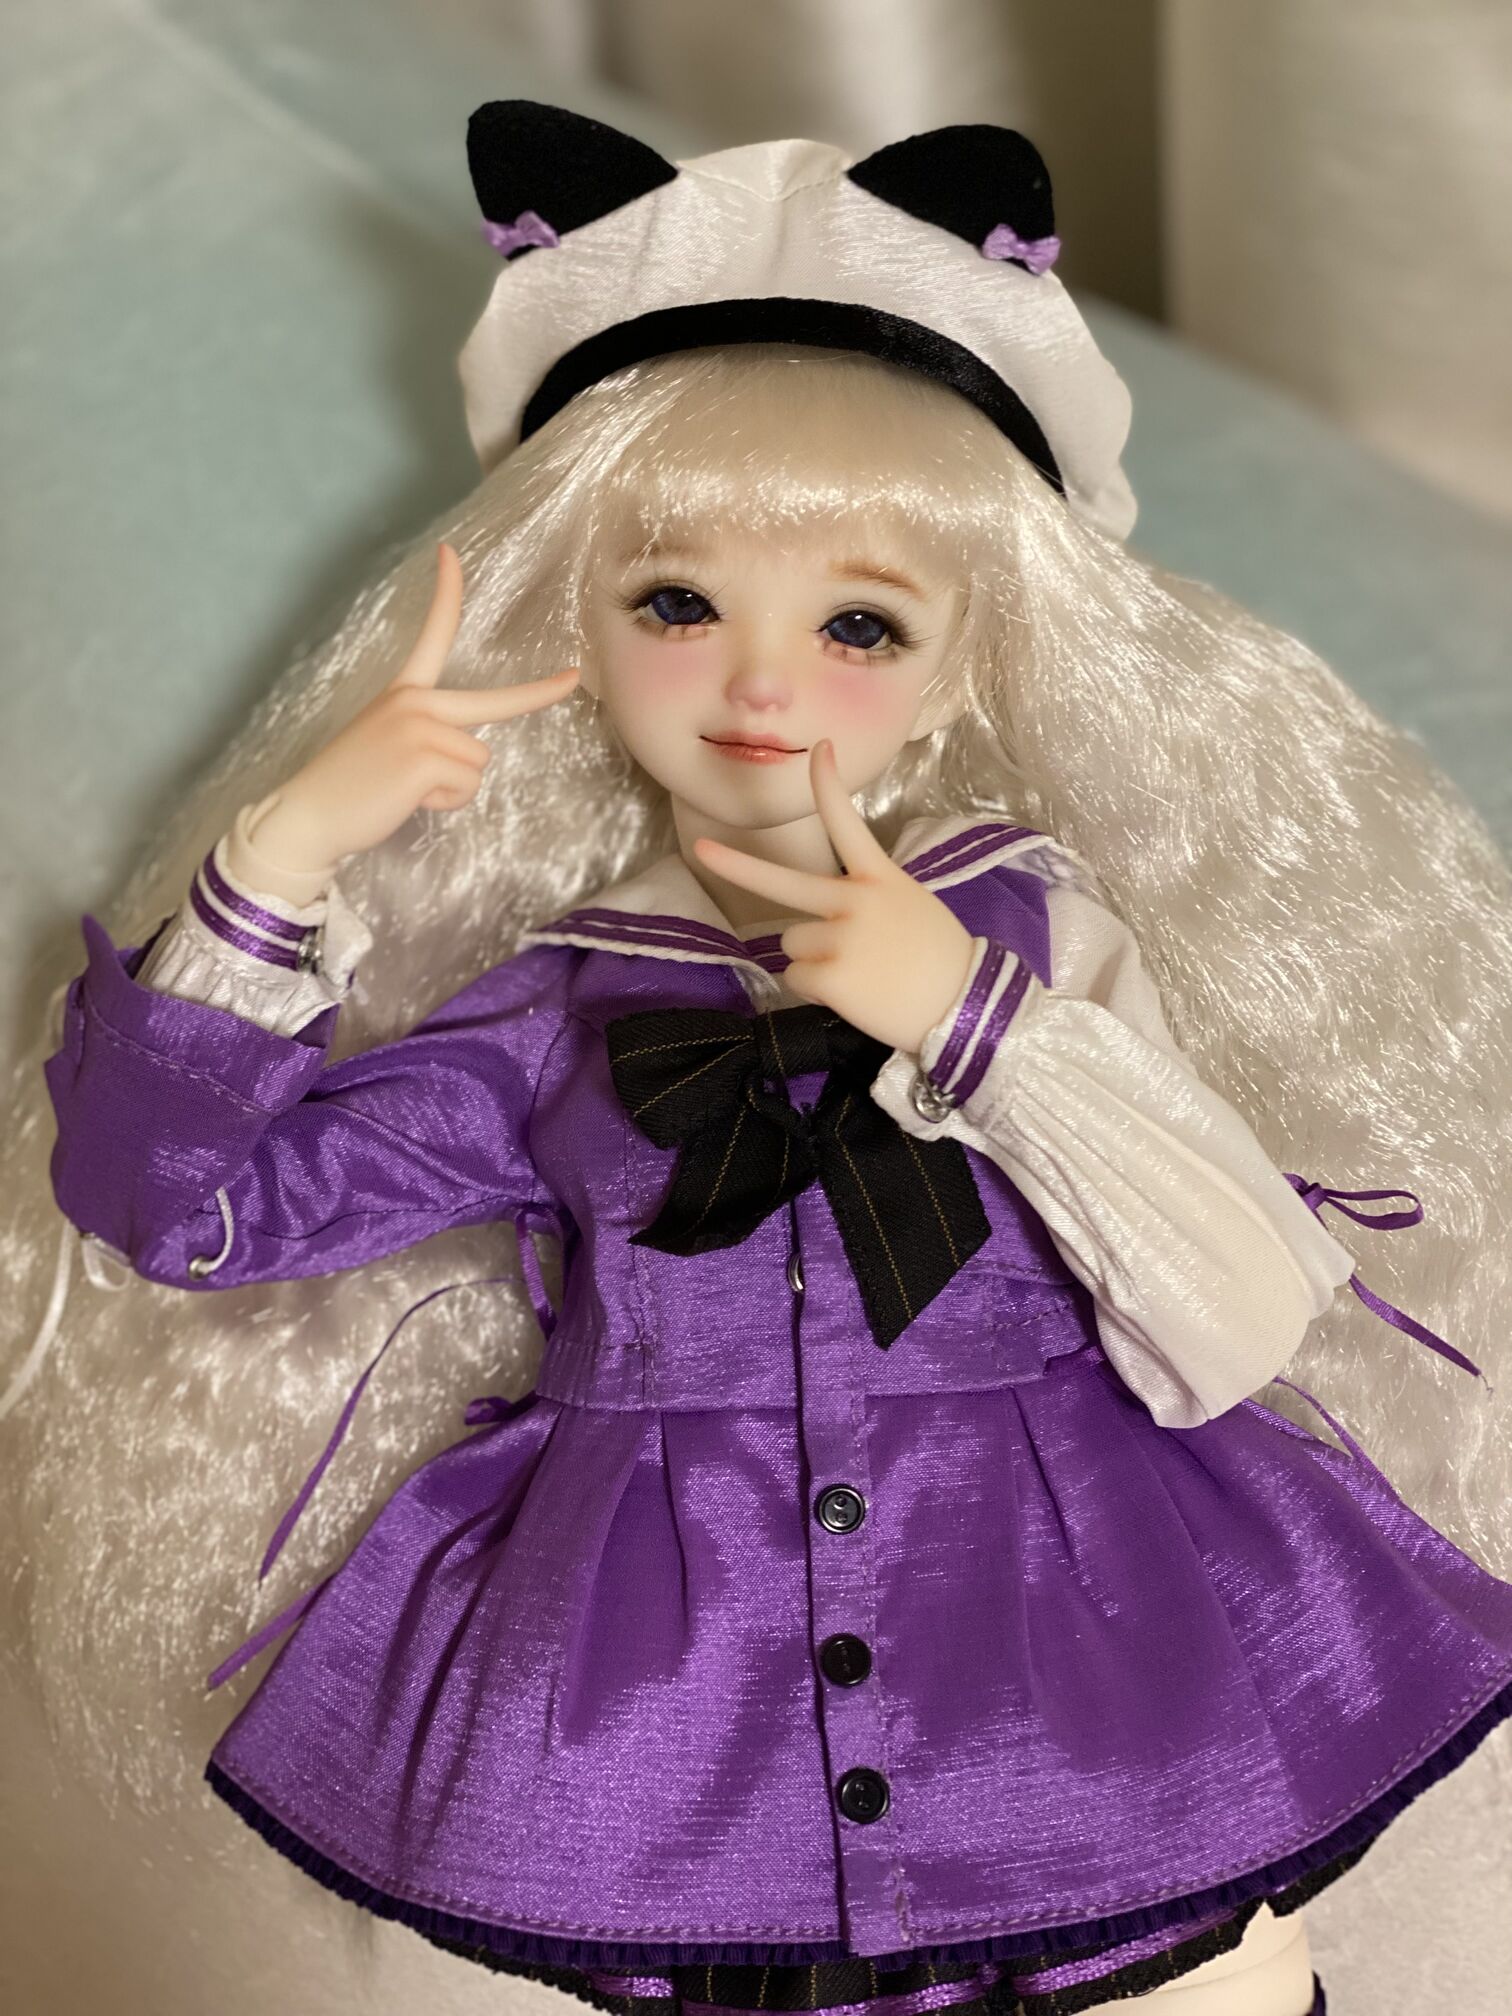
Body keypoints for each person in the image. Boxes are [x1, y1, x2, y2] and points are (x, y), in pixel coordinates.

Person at [17, 102, 1512, 2016]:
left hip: (1100, 1695)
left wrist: (973, 1021)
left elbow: (1233, 1310)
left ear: (966, 661)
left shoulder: (1037, 927)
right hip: (666, 1741)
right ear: (578, 617)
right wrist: (282, 856)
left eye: (861, 621)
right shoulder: (558, 1004)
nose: (762, 679)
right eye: (676, 601)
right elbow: (180, 1211)